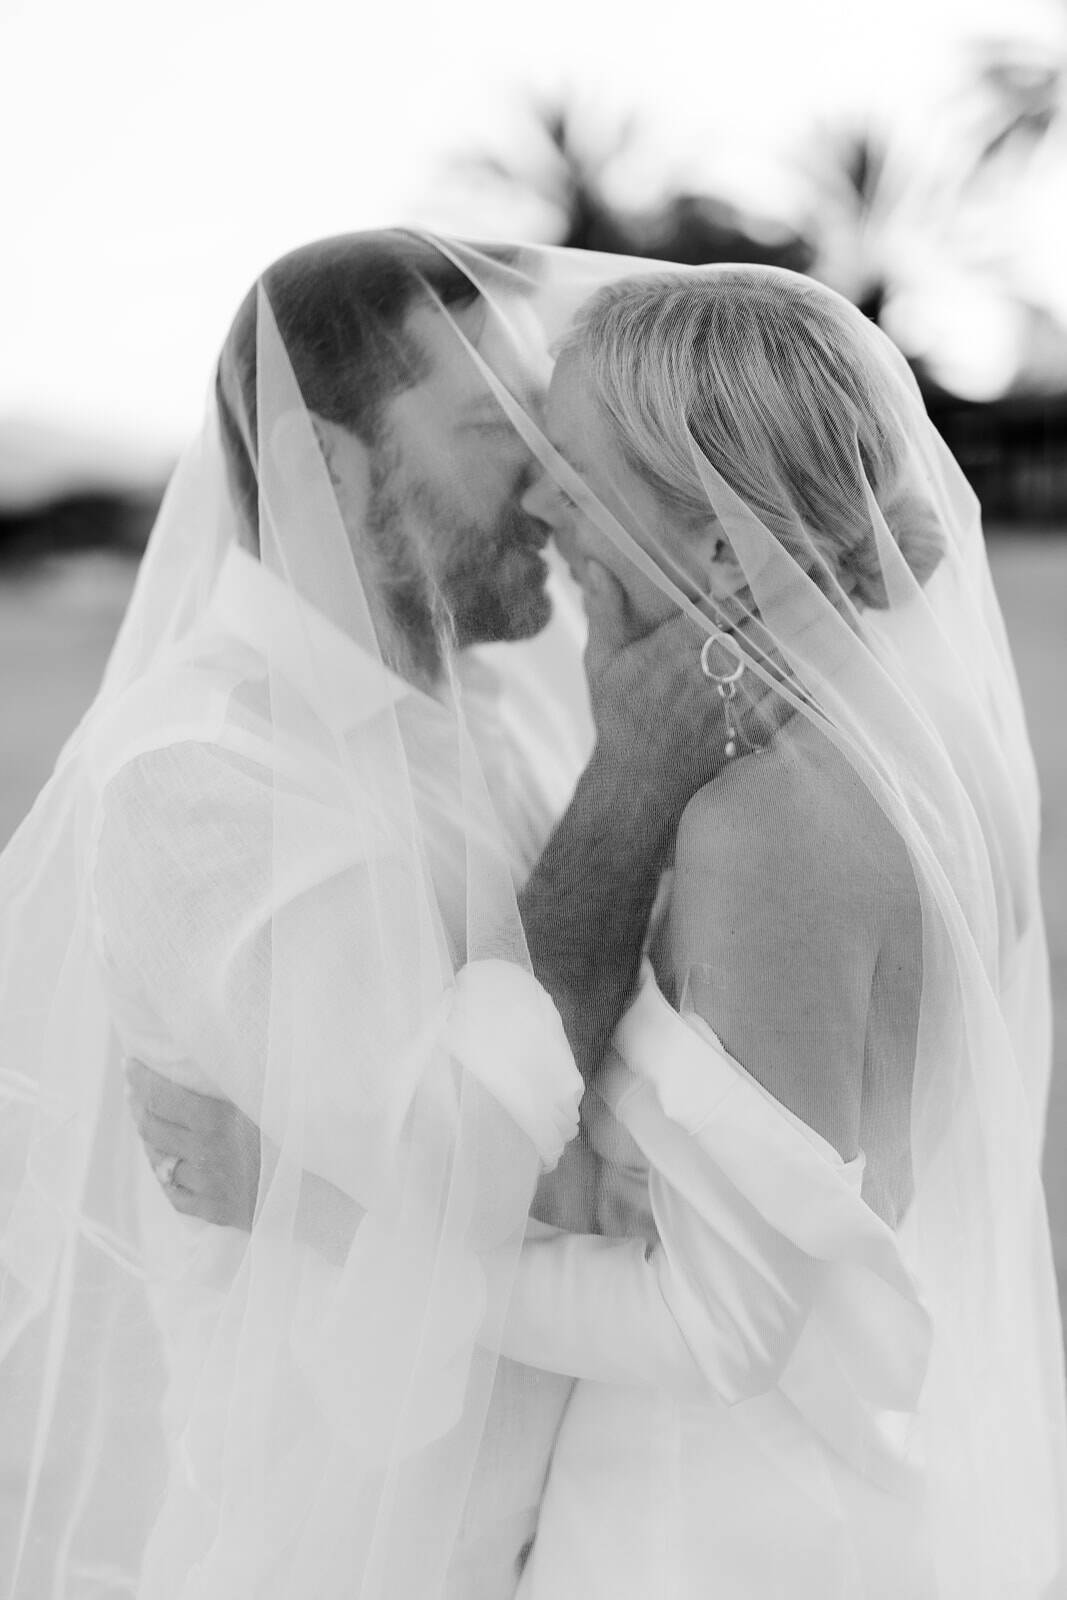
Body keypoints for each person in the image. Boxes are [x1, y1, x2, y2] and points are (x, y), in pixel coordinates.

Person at [133, 245, 1067, 1596]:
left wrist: (306, 1207)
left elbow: (724, 1317)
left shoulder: (766, 819)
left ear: (715, 528)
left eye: (568, 456)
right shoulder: (889, 750)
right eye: (502, 436)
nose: (540, 496)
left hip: (705, 1524)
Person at [0, 232, 776, 1599]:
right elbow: (461, 1163)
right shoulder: (199, 777)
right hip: (352, 1557)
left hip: (574, 1527)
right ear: (324, 469)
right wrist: (631, 782)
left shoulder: (493, 716)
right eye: (492, 430)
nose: (549, 487)